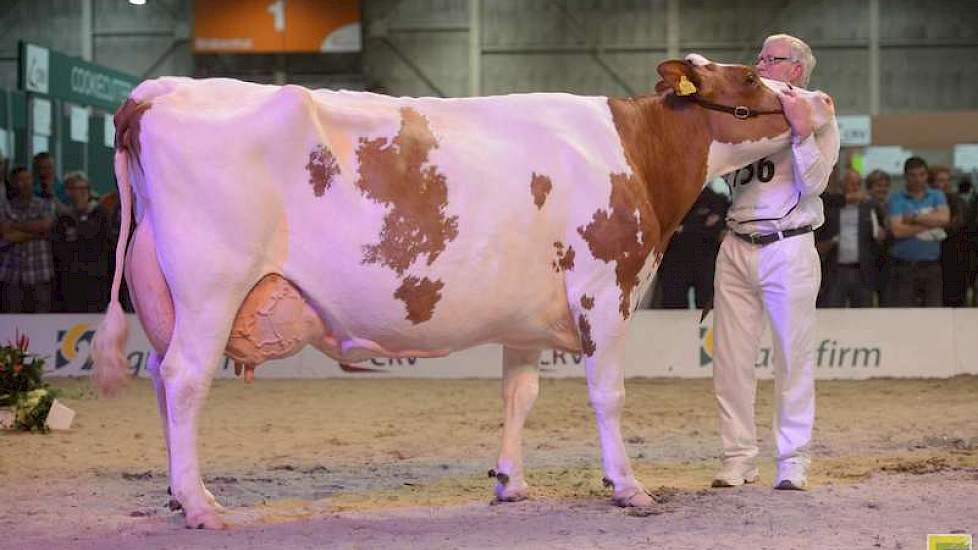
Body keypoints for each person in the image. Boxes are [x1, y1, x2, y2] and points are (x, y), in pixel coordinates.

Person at [711, 34, 838, 491]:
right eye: (759, 54)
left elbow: (816, 184)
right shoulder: (744, 114)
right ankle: (738, 458)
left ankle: (792, 460)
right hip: (736, 240)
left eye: (771, 58)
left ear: (796, 70)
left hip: (789, 244)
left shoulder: (818, 110)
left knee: (793, 356)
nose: (760, 61)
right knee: (729, 359)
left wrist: (802, 133)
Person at [884, 157, 948, 307]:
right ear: (905, 176)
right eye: (913, 175)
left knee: (933, 314)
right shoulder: (896, 199)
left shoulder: (937, 196)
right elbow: (897, 231)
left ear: (926, 176)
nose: (918, 179)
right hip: (904, 267)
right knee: (904, 316)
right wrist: (930, 224)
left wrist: (913, 218)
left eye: (922, 174)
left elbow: (944, 219)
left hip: (931, 267)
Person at [821, 169, 886, 307]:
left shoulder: (869, 207)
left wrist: (881, 236)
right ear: (841, 185)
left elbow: (881, 235)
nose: (855, 188)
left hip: (863, 271)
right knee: (833, 312)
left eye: (858, 184)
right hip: (835, 270)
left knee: (863, 314)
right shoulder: (831, 208)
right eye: (850, 184)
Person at [656, 186, 729, 309]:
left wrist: (684, 229)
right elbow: (661, 231)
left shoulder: (717, 200)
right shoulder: (665, 201)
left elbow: (720, 231)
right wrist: (701, 227)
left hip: (707, 263)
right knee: (672, 314)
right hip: (674, 264)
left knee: (710, 313)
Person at [51, 171, 112, 312]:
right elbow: (58, 247)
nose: (82, 193)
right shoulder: (63, 218)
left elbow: (101, 238)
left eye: (85, 189)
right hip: (70, 281)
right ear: (68, 192)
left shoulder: (100, 213)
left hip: (96, 278)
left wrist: (80, 218)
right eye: (77, 189)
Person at [0, 166, 55, 312]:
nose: (25, 183)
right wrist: (37, 232)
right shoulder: (5, 207)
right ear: (13, 183)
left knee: (41, 316)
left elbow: (46, 225)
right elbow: (6, 234)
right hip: (13, 273)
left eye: (28, 178)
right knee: (14, 320)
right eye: (20, 180)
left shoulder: (44, 204)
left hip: (39, 271)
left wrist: (15, 226)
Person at [929, 166, 969, 307]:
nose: (945, 184)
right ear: (931, 183)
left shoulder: (958, 202)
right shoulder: (926, 202)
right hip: (931, 261)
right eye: (941, 180)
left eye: (947, 180)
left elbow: (957, 226)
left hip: (955, 260)